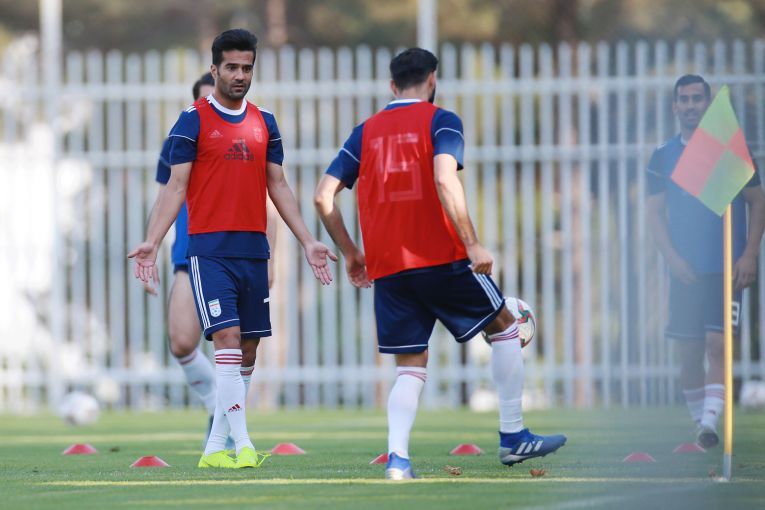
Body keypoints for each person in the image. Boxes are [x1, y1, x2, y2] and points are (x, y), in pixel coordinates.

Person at [314, 47, 566, 480]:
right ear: (432, 79)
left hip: (389, 268)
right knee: (506, 325)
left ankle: (398, 461)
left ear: (391, 85)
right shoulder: (441, 120)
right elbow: (445, 178)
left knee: (410, 367)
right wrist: (473, 244)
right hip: (442, 257)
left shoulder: (364, 132)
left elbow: (323, 197)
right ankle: (513, 436)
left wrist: (352, 253)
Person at [129, 28, 336, 469]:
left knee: (247, 350)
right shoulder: (191, 121)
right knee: (225, 339)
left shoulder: (266, 122)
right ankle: (243, 446)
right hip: (209, 251)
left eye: (247, 68)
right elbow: (174, 188)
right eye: (231, 67)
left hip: (253, 251)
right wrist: (152, 242)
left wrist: (308, 240)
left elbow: (278, 186)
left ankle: (213, 450)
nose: (240, 75)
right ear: (215, 69)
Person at [144, 72, 279, 446]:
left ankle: (227, 432)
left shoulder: (248, 136)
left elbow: (269, 197)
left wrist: (271, 258)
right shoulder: (182, 138)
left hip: (240, 250)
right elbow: (165, 196)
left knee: (239, 345)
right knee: (181, 342)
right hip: (192, 253)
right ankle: (215, 404)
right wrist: (150, 246)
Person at [646, 74, 765, 448]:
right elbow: (654, 214)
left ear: (708, 104)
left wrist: (749, 254)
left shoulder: (729, 150)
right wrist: (672, 259)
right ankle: (701, 425)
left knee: (718, 345)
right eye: (684, 99)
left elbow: (757, 201)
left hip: (725, 267)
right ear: (674, 106)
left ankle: (710, 425)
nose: (690, 105)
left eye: (697, 98)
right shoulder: (662, 156)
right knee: (688, 352)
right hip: (685, 271)